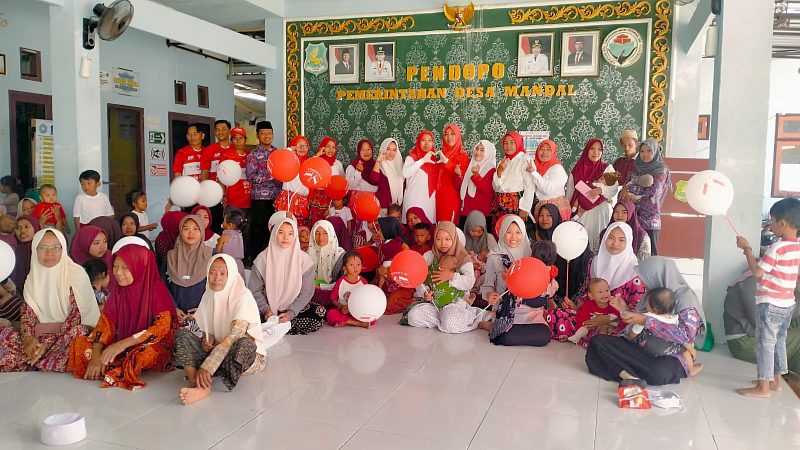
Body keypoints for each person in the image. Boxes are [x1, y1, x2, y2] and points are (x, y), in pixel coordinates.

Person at [68, 244, 177, 390]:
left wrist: (122, 345)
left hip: (150, 344)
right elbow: (104, 325)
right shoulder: (118, 292)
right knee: (80, 343)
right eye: (115, 266)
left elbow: (160, 329)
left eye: (125, 268)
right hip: (120, 344)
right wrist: (96, 356)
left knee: (142, 355)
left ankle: (114, 366)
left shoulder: (156, 290)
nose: (118, 272)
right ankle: (110, 365)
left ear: (140, 267)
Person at [585, 257, 706, 385]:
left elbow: (685, 335)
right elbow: (636, 328)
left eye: (646, 278)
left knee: (658, 372)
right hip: (641, 350)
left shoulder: (686, 301)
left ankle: (624, 370)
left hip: (669, 356)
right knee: (597, 342)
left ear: (657, 276)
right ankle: (628, 376)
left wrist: (646, 321)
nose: (643, 283)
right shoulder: (651, 294)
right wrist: (624, 309)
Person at [0, 229, 99, 372]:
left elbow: (75, 318)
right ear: (35, 250)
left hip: (67, 337)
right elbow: (28, 315)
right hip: (39, 338)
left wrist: (46, 345)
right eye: (43, 248)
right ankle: (41, 360)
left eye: (55, 247)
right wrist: (28, 339)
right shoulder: (32, 278)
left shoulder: (76, 274)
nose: (49, 253)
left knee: (79, 334)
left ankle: (35, 361)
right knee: (5, 334)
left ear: (63, 249)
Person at [176, 254, 265, 404]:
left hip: (236, 354)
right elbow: (207, 329)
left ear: (231, 275)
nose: (217, 278)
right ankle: (194, 382)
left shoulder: (243, 296)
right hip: (216, 352)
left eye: (223, 273)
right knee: (183, 334)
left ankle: (204, 384)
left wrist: (208, 367)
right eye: (212, 272)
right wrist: (207, 341)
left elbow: (233, 338)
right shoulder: (209, 294)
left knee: (245, 345)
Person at [734, 198, 800, 397]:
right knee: (778, 341)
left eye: (772, 221)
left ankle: (763, 388)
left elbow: (757, 272)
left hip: (770, 303)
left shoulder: (777, 248)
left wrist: (747, 250)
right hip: (787, 303)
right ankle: (775, 382)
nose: (770, 225)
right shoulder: (796, 247)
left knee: (765, 344)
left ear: (783, 223)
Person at [482, 215, 552, 346]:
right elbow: (487, 286)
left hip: (530, 311)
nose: (513, 237)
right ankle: (495, 326)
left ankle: (495, 327)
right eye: (509, 232)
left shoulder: (532, 256)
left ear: (524, 233)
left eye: (518, 232)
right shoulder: (494, 257)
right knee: (506, 338)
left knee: (545, 336)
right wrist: (489, 295)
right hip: (506, 311)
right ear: (502, 233)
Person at [403, 222, 484, 333]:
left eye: (447, 239)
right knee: (413, 316)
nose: (443, 243)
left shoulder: (463, 257)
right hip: (434, 303)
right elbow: (420, 279)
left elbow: (469, 282)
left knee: (450, 323)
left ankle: (471, 316)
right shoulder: (429, 256)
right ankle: (445, 320)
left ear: (454, 239)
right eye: (439, 239)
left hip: (454, 302)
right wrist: (425, 293)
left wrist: (452, 276)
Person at [249, 218, 326, 334]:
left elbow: (306, 291)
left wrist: (291, 313)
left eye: (290, 233)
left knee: (320, 312)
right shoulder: (262, 259)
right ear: (274, 234)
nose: (286, 237)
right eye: (281, 233)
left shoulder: (304, 260)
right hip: (268, 310)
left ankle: (276, 327)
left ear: (295, 236)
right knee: (247, 316)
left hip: (294, 310)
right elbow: (255, 290)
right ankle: (280, 326)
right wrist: (266, 310)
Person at [724, 273, 800, 380]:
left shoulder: (772, 279)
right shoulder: (752, 280)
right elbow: (760, 320)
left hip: (757, 334)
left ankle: (789, 376)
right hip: (743, 341)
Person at [620, 288, 701, 376]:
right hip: (669, 352)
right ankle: (690, 368)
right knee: (685, 351)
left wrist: (630, 336)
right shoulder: (675, 319)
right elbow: (680, 335)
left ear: (654, 309)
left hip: (649, 349)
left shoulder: (646, 317)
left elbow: (633, 334)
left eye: (647, 303)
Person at [533, 204, 592, 303]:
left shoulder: (564, 234)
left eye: (549, 215)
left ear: (555, 216)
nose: (544, 219)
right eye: (541, 215)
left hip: (572, 294)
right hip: (547, 294)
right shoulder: (535, 237)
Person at [567, 138, 618, 253]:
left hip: (601, 211)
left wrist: (601, 189)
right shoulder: (576, 171)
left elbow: (614, 189)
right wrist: (572, 212)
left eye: (600, 149)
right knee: (581, 243)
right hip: (582, 212)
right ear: (586, 150)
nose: (596, 152)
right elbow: (570, 194)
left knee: (601, 243)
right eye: (592, 149)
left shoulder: (607, 168)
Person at [622, 139, 671, 255]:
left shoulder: (661, 170)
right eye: (642, 151)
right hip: (633, 217)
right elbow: (627, 188)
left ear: (655, 151)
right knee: (631, 254)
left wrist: (636, 196)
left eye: (649, 151)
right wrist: (634, 191)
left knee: (650, 254)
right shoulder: (636, 167)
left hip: (650, 220)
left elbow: (654, 192)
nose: (645, 154)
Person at [167, 215, 214, 323]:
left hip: (205, 318)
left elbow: (218, 287)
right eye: (186, 229)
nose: (191, 233)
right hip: (176, 318)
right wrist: (173, 307)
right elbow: (163, 286)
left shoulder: (212, 256)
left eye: (196, 229)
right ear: (180, 231)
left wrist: (204, 308)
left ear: (202, 232)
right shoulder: (170, 257)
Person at [245, 120, 280, 260]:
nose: (267, 136)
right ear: (257, 135)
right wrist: (271, 175)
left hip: (277, 199)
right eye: (263, 133)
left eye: (269, 133)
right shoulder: (252, 155)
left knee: (275, 230)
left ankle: (273, 261)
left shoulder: (278, 153)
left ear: (273, 134)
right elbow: (251, 177)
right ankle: (256, 262)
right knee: (259, 232)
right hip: (260, 200)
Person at [492, 132, 535, 229]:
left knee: (515, 231)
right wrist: (499, 172)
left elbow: (530, 186)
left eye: (512, 142)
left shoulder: (525, 159)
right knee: (501, 232)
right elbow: (496, 187)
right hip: (500, 205)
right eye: (505, 143)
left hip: (517, 204)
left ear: (518, 143)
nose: (508, 146)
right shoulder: (503, 161)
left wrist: (525, 208)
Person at [567, 278, 620, 345]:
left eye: (607, 290)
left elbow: (619, 315)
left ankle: (602, 343)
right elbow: (582, 317)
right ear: (591, 295)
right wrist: (581, 326)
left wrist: (611, 319)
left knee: (604, 327)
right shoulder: (588, 305)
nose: (604, 294)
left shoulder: (613, 303)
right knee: (587, 325)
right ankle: (577, 336)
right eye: (600, 292)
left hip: (609, 324)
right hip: (594, 324)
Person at [327, 251, 372, 328]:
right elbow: (333, 300)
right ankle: (358, 323)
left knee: (372, 317)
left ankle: (346, 322)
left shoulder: (363, 282)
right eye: (351, 265)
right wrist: (341, 307)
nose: (355, 267)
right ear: (344, 268)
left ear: (362, 266)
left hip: (358, 311)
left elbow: (367, 300)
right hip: (343, 311)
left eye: (358, 264)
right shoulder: (340, 281)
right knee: (331, 314)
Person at [275, 135, 312, 226]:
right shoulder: (288, 161)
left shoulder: (309, 163)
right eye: (299, 145)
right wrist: (290, 149)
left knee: (301, 228)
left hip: (304, 200)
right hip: (289, 199)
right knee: (287, 226)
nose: (302, 148)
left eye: (305, 145)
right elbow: (280, 158)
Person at [436, 124, 471, 223]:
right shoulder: (440, 154)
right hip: (438, 198)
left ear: (458, 136)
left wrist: (447, 162)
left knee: (449, 227)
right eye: (446, 134)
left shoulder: (463, 156)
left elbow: (461, 182)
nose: (449, 137)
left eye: (452, 134)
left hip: (452, 198)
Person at [307, 137, 345, 226]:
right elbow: (308, 172)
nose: (331, 150)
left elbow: (342, 182)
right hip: (317, 198)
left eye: (333, 147)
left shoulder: (337, 164)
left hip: (332, 198)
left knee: (330, 223)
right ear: (322, 147)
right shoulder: (317, 161)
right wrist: (317, 155)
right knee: (316, 223)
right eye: (328, 146)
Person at [402, 131, 438, 224]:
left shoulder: (434, 158)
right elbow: (405, 173)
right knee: (414, 227)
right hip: (414, 200)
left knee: (427, 228)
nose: (427, 143)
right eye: (423, 140)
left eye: (430, 140)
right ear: (418, 141)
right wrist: (422, 161)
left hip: (429, 202)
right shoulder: (412, 157)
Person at [529, 139, 570, 221]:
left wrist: (533, 173)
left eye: (548, 149)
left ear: (553, 152)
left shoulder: (557, 168)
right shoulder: (538, 168)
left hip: (555, 208)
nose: (544, 152)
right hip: (542, 208)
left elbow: (548, 190)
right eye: (541, 149)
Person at [308, 220, 346, 307]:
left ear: (331, 234)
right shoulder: (307, 254)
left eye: (325, 233)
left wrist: (321, 287)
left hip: (335, 297)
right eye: (317, 233)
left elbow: (344, 282)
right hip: (311, 295)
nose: (321, 237)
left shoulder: (340, 255)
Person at [460, 140, 497, 227]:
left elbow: (487, 189)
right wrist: (458, 175)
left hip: (482, 212)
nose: (478, 152)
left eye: (482, 150)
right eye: (477, 149)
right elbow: (463, 186)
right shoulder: (471, 165)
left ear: (488, 153)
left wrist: (476, 175)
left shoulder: (491, 169)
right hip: (467, 210)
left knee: (480, 234)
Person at [364, 138, 405, 213]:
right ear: (383, 150)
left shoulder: (400, 166)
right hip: (382, 208)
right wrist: (378, 161)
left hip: (397, 209)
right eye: (388, 149)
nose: (391, 153)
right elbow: (373, 180)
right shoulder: (378, 165)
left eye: (394, 150)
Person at [219, 127, 252, 213]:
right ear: (231, 140)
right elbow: (220, 177)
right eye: (235, 138)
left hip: (249, 199)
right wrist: (223, 195)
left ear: (245, 140)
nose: (238, 141)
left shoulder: (250, 154)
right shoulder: (226, 155)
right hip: (233, 200)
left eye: (241, 138)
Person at [10, 215, 41, 296]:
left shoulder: (42, 249)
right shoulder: (11, 249)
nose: (23, 231)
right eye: (18, 228)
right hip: (15, 295)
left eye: (27, 227)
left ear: (35, 227)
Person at [346, 139, 379, 211]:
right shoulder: (353, 166)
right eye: (363, 150)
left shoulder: (377, 165)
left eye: (368, 149)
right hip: (356, 203)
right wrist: (358, 172)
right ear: (359, 151)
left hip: (372, 203)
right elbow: (349, 186)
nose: (366, 152)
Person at [216, 207, 247, 280]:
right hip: (239, 267)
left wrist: (218, 243)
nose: (222, 223)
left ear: (229, 225)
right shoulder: (240, 236)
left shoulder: (224, 237)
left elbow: (217, 253)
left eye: (224, 221)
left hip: (227, 266)